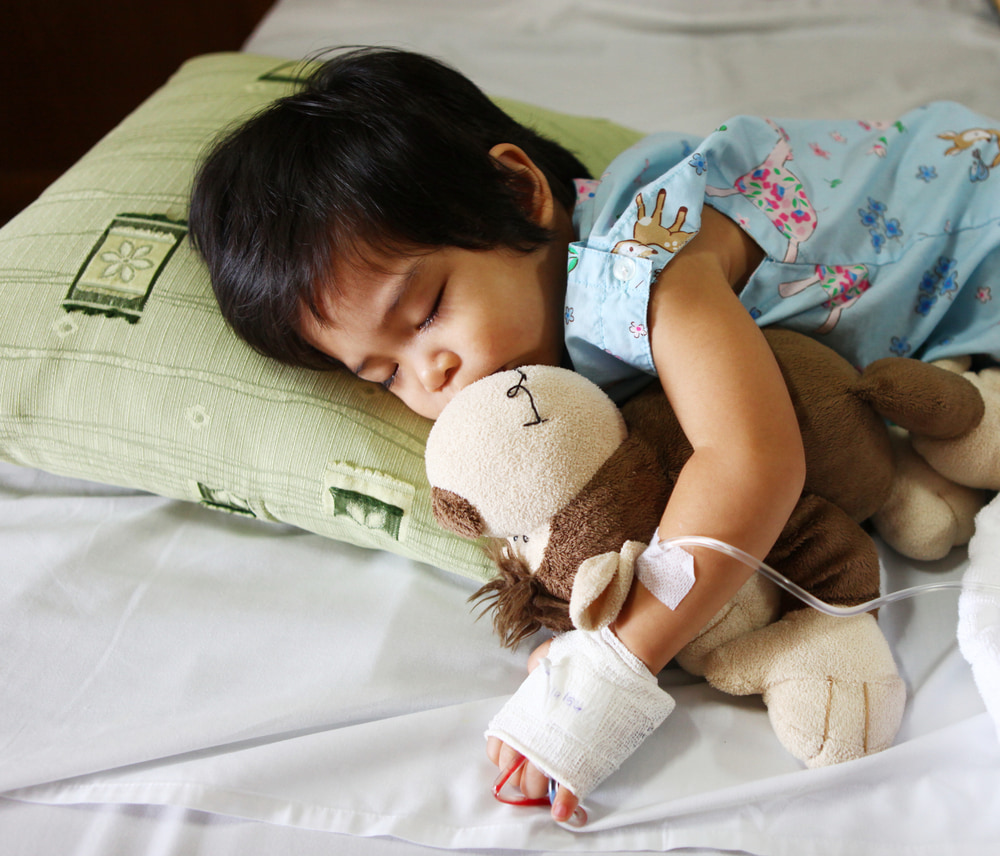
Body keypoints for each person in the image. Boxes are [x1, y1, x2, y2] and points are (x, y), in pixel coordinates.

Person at [189, 47, 1000, 824]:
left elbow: (751, 460)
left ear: (516, 193)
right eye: (383, 375)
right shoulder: (560, 357)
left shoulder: (636, 259)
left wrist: (609, 667)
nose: (430, 376)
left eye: (427, 311)